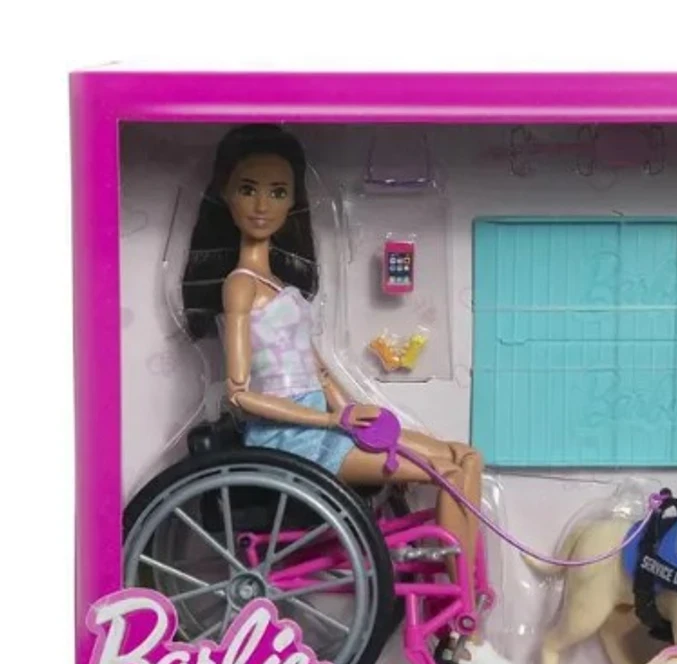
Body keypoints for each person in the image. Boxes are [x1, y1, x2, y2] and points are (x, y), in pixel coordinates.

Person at [181, 123, 484, 596]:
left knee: (466, 456)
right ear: (226, 193)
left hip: (323, 424)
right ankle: (460, 603)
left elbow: (318, 370)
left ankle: (469, 592)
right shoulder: (239, 286)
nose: (262, 205)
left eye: (277, 192)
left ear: (292, 201)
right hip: (288, 439)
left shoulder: (279, 285)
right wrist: (329, 420)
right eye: (248, 189)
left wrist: (351, 412)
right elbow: (240, 395)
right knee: (444, 471)